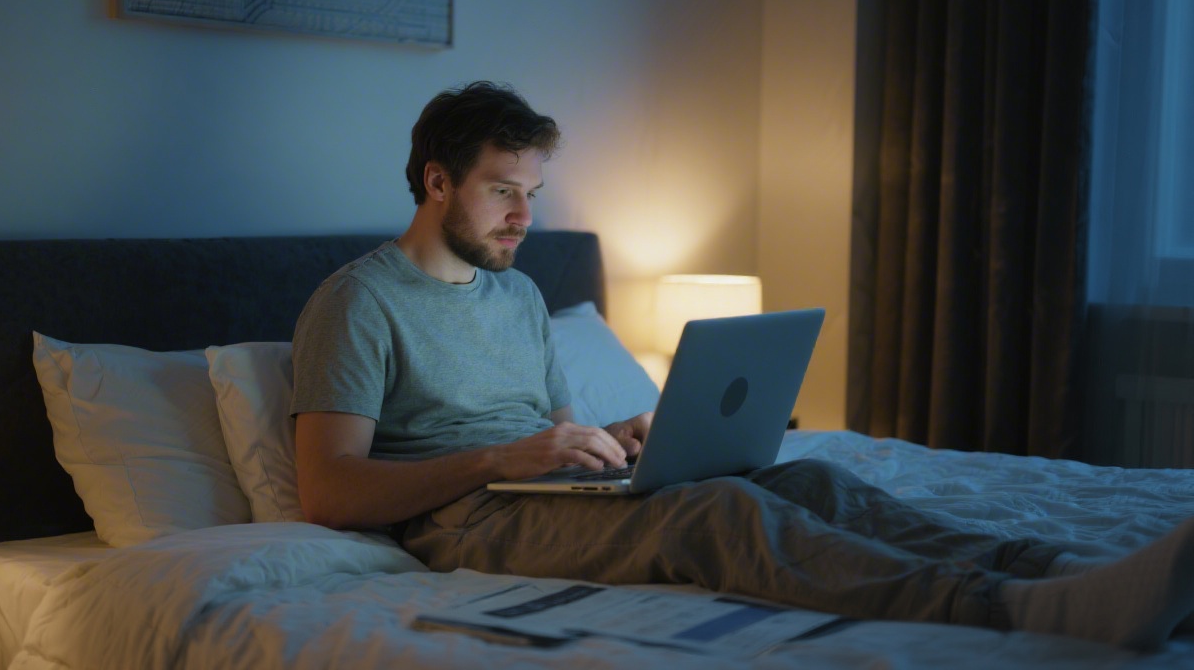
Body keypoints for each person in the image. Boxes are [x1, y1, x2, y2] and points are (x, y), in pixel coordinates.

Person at [291, 80, 1194, 652]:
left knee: (811, 480)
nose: (523, 217)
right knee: (719, 512)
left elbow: (547, 435)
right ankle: (1024, 611)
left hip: (537, 490)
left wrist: (616, 440)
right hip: (464, 519)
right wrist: (500, 458)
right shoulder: (357, 303)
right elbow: (329, 492)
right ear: (437, 181)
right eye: (502, 191)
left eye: (534, 193)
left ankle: (1063, 564)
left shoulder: (518, 295)